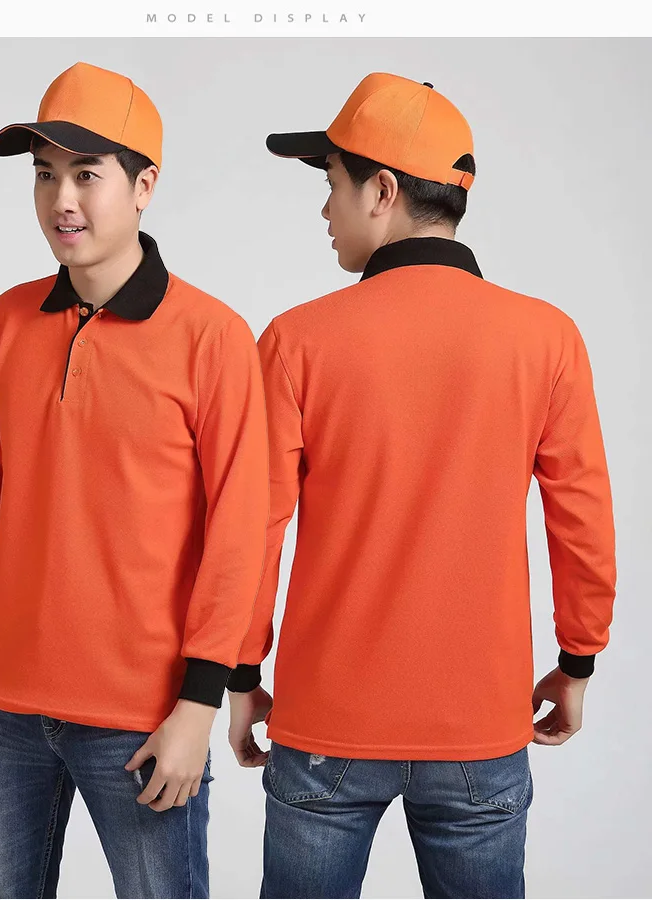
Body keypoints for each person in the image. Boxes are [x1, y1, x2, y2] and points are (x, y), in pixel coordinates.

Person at [225, 73, 617, 899]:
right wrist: (576, 662)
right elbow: (581, 520)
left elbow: (251, 526)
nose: (323, 209)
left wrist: (239, 672)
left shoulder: (297, 341)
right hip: (481, 726)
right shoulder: (546, 339)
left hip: (326, 724)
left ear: (382, 190)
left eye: (332, 184)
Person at [0, 60, 269, 899]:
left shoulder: (213, 338)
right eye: (44, 175)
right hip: (7, 705)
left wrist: (200, 704)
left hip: (143, 716)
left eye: (86, 175)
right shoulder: (5, 321)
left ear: (144, 186)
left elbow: (238, 535)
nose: (61, 199)